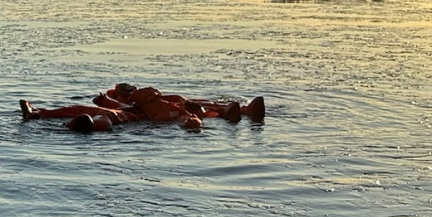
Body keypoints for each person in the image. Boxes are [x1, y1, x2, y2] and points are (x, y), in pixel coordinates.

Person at [19, 84, 265, 133]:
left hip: (146, 119)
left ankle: (236, 111)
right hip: (140, 118)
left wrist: (193, 120)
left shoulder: (171, 103)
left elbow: (191, 116)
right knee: (105, 115)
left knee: (184, 101)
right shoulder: (126, 103)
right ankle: (39, 113)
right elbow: (103, 101)